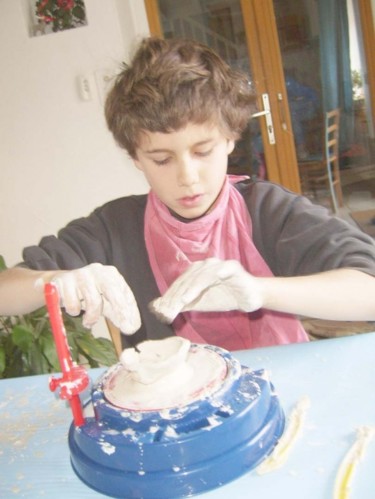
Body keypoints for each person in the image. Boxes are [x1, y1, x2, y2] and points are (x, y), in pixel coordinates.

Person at [0, 37, 375, 351]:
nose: (188, 177)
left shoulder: (270, 212)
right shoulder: (115, 227)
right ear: (135, 158)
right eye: (162, 159)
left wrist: (259, 291)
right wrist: (49, 282)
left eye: (202, 151)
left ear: (230, 138)